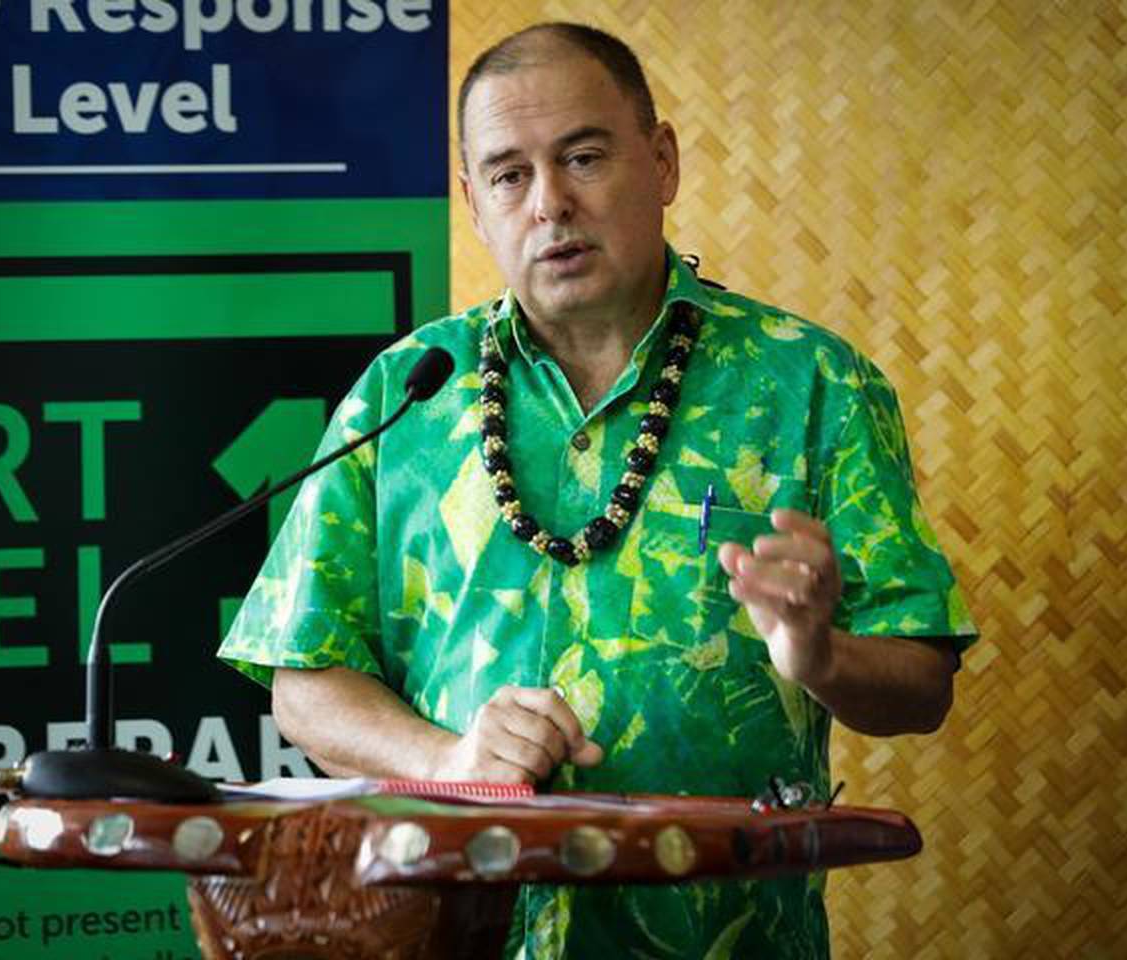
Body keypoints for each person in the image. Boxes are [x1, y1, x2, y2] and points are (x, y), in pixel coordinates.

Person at [219, 21, 976, 959]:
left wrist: (821, 655)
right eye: (509, 175)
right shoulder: (406, 392)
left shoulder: (813, 385)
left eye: (582, 158)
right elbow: (304, 684)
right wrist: (451, 760)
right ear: (474, 204)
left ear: (661, 163)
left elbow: (921, 686)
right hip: (454, 935)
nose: (550, 203)